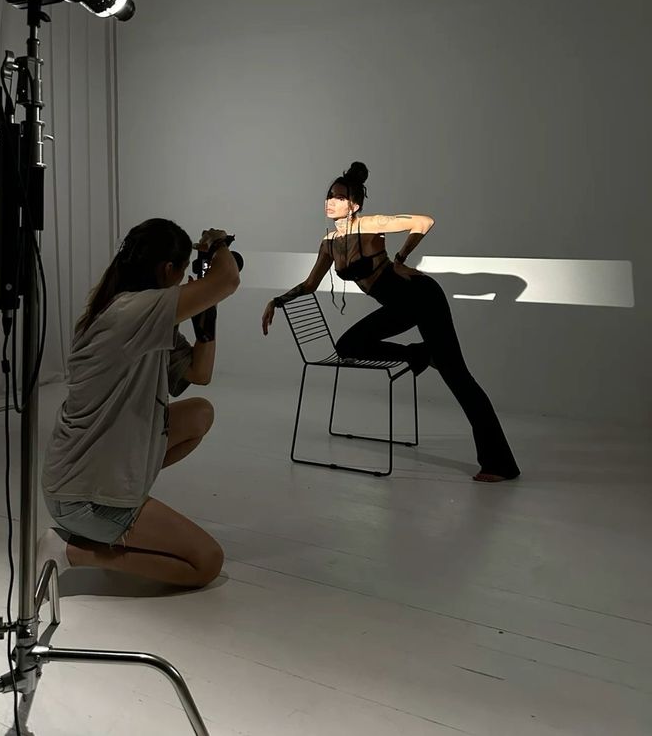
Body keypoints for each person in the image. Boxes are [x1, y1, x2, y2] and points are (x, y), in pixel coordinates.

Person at [262, 162, 520, 482]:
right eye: (329, 195)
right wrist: (277, 301)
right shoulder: (329, 243)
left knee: (459, 379)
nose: (331, 201)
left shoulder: (370, 224)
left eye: (339, 197)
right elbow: (311, 284)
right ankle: (421, 355)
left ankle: (500, 465)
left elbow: (424, 221)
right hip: (399, 306)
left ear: (354, 205)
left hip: (421, 297)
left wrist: (400, 259)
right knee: (348, 345)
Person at [38, 218, 241, 589]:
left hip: (86, 476)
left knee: (199, 414)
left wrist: (206, 318)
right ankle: (69, 551)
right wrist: (216, 245)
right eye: (182, 272)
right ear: (168, 270)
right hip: (82, 497)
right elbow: (227, 280)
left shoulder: (140, 313)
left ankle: (125, 500)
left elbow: (200, 373)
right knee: (207, 562)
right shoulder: (132, 312)